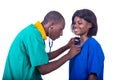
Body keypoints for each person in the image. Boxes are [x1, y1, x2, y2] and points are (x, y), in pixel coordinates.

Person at [3, 11, 81, 80]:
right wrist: (69, 55)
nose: (61, 34)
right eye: (61, 29)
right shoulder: (34, 36)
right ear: (52, 25)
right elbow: (44, 69)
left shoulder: (34, 32)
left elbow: (43, 57)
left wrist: (67, 46)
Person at [69, 9, 105, 80]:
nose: (75, 26)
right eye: (74, 23)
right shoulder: (75, 45)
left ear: (90, 25)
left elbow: (93, 76)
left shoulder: (93, 45)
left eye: (80, 23)